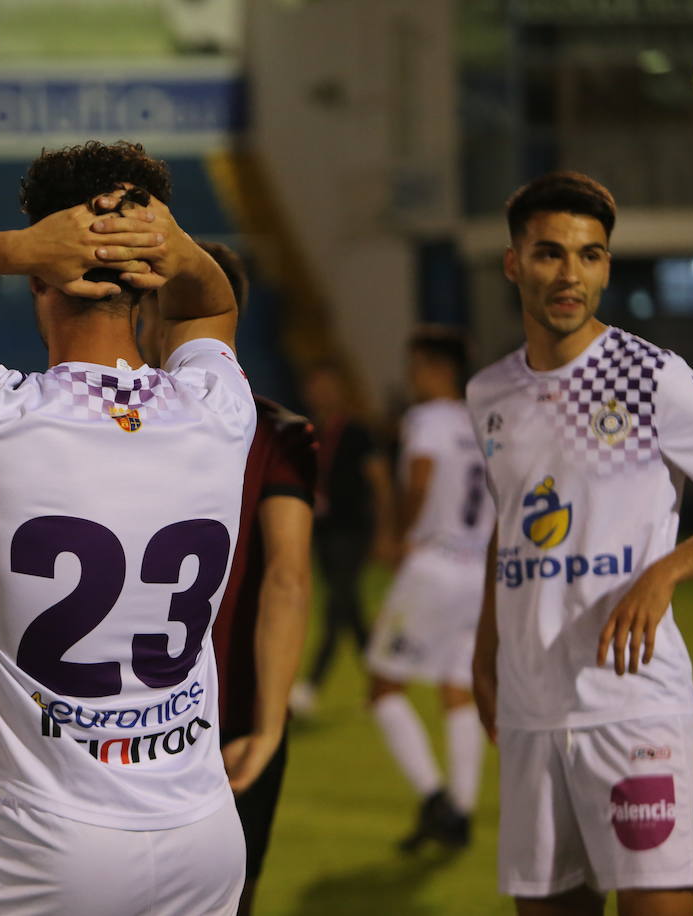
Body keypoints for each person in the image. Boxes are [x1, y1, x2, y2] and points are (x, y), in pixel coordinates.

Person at [0, 140, 255, 915]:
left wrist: (13, 247)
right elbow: (210, 303)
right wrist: (174, 245)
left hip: (55, 838)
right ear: (148, 280)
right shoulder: (219, 410)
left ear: (40, 277)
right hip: (204, 829)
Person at [467, 171, 693, 916]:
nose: (571, 274)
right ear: (514, 263)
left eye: (591, 256)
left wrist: (667, 573)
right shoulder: (488, 393)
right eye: (551, 254)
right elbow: (509, 524)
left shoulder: (650, 375)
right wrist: (484, 644)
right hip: (530, 708)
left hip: (633, 703)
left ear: (607, 266)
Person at [138, 240, 316, 915]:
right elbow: (288, 579)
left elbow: (289, 581)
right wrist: (269, 726)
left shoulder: (117, 419)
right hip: (236, 711)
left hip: (127, 710)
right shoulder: (276, 428)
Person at [365, 328, 493, 852]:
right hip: (479, 570)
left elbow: (420, 478)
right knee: (456, 687)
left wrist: (397, 534)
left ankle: (434, 797)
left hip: (435, 563)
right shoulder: (481, 421)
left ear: (437, 367)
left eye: (416, 366)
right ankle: (460, 812)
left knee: (382, 687)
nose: (411, 377)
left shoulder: (429, 420)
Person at [288, 362, 396, 717]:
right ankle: (381, 685)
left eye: (327, 385)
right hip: (323, 530)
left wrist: (383, 531)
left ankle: (310, 685)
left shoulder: (356, 431)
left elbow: (380, 482)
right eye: (315, 386)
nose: (322, 393)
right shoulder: (307, 430)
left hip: (353, 529)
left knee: (338, 604)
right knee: (349, 609)